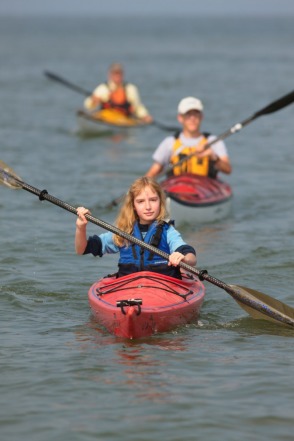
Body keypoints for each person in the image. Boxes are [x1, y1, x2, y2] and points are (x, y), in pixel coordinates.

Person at [75, 177, 196, 279]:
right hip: (129, 287)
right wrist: (81, 228)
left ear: (160, 202)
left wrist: (183, 258)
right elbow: (82, 249)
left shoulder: (168, 231)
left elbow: (190, 256)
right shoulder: (122, 232)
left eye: (153, 200)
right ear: (133, 205)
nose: (148, 206)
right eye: (141, 201)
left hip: (163, 288)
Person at [145, 96, 232, 178]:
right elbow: (153, 172)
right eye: (188, 114)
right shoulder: (169, 143)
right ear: (180, 118)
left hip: (204, 188)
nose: (192, 118)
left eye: (196, 114)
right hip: (176, 188)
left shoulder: (213, 141)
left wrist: (213, 157)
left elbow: (228, 170)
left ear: (201, 117)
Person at [83, 63, 153, 123]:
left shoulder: (130, 89)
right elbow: (87, 105)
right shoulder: (102, 89)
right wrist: (93, 101)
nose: (117, 76)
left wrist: (145, 116)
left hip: (124, 119)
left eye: (119, 73)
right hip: (106, 118)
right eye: (115, 73)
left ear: (123, 74)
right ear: (110, 74)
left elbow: (138, 106)